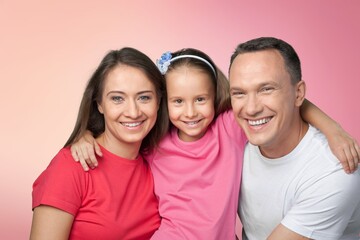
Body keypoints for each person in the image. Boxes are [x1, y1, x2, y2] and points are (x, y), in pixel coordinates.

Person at [71, 48, 360, 239]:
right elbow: (119, 135)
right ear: (163, 103)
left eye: (200, 100)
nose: (190, 112)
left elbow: (285, 104)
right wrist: (86, 135)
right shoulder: (154, 143)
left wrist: (333, 129)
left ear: (216, 96)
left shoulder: (229, 129)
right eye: (178, 102)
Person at [30, 47, 169, 240]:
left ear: (159, 102)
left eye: (144, 97)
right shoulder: (71, 166)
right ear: (99, 104)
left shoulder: (159, 165)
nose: (133, 111)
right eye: (117, 98)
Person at [229, 37, 360, 239]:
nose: (251, 108)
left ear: (299, 93)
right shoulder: (233, 135)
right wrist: (330, 125)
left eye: (266, 89)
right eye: (239, 93)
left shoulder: (334, 172)